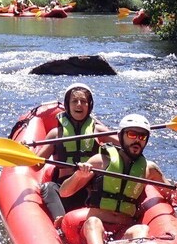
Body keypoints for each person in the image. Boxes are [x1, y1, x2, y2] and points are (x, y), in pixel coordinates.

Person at [57, 114, 177, 244]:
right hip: (96, 225)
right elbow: (64, 192)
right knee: (93, 223)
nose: (137, 140)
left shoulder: (150, 169)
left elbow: (171, 197)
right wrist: (79, 175)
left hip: (124, 229)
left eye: (142, 137)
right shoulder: (100, 161)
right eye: (131, 134)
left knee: (140, 230)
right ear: (120, 136)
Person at [35, 83, 119, 220]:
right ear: (67, 105)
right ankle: (59, 220)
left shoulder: (98, 131)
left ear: (89, 105)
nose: (79, 104)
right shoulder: (56, 134)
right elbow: (36, 164)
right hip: (64, 189)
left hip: (91, 189)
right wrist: (26, 150)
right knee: (48, 188)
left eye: (83, 101)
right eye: (74, 101)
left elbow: (126, 145)